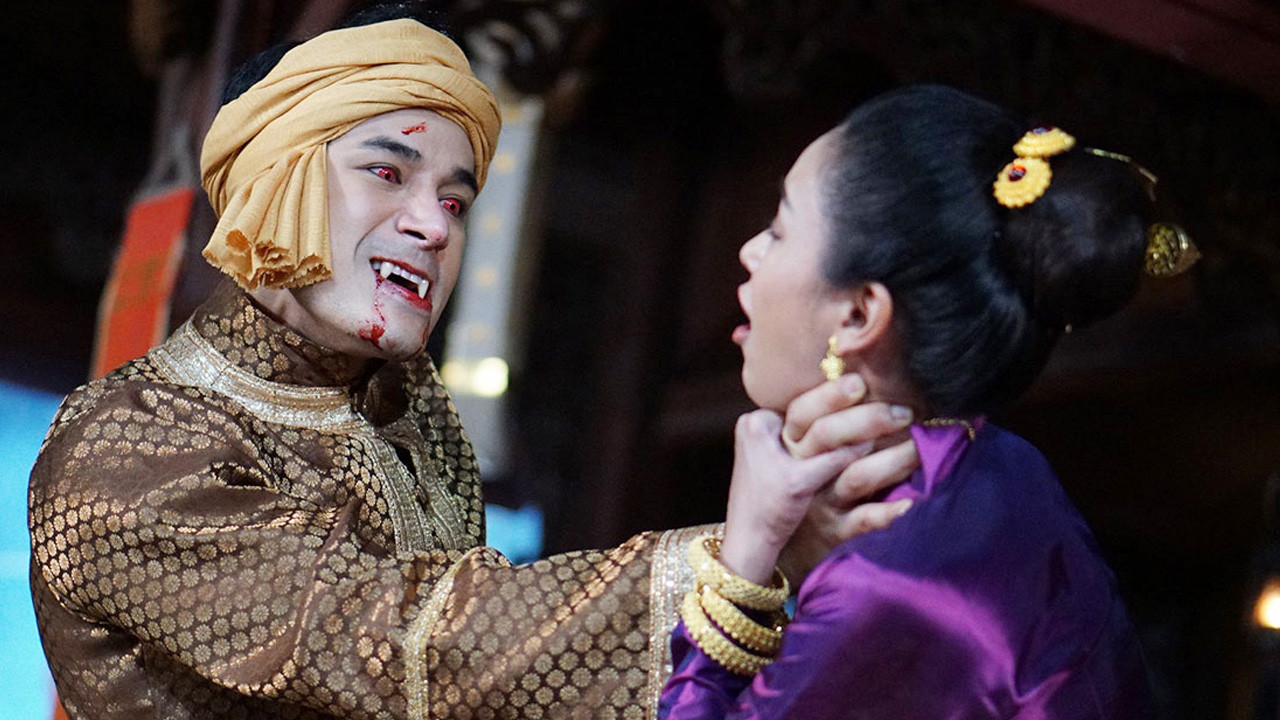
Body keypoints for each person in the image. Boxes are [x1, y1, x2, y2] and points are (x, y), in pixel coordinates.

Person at [27, 5, 919, 719]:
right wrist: (728, 558)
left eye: (456, 200)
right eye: (388, 174)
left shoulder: (410, 406)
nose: (435, 226)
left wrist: (774, 554)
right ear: (273, 180)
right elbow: (385, 642)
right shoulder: (122, 446)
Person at [658, 85, 1192, 719]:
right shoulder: (1005, 468)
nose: (748, 252)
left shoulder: (892, 583)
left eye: (779, 230)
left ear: (859, 315)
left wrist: (744, 562)